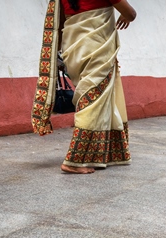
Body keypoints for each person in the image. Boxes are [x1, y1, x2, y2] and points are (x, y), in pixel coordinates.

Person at [31, 0, 137, 174]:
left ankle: (103, 152)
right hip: (97, 49)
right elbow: (131, 13)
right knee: (92, 102)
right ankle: (76, 160)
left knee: (91, 96)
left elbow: (59, 23)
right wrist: (126, 17)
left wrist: (57, 56)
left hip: (74, 49)